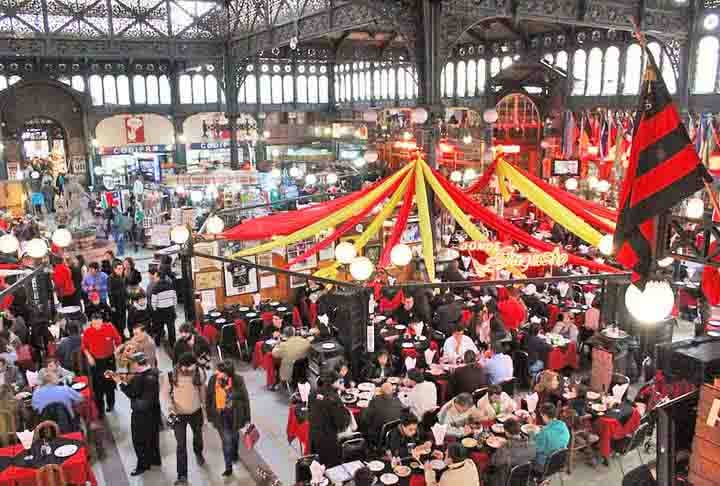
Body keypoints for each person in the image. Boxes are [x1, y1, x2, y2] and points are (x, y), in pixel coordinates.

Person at [161, 353, 207, 486]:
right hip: (179, 415)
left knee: (198, 435)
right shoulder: (171, 376)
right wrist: (170, 408)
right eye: (186, 368)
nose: (189, 371)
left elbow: (202, 391)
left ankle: (198, 452)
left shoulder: (199, 373)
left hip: (196, 412)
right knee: (180, 445)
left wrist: (204, 410)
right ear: (181, 366)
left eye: (191, 367)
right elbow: (165, 394)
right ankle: (182, 476)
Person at [112, 352, 161, 475]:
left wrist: (119, 382)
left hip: (141, 414)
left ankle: (142, 465)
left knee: (139, 440)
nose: (131, 366)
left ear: (137, 364)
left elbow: (131, 392)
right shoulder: (154, 372)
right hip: (154, 411)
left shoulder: (139, 378)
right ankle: (155, 460)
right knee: (153, 437)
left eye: (132, 363)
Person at [206, 360, 251, 478]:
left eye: (220, 371)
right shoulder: (213, 380)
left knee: (235, 437)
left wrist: (247, 417)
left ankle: (235, 454)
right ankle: (228, 467)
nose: (217, 372)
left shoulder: (238, 380)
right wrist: (209, 416)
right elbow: (209, 398)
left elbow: (245, 398)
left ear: (227, 373)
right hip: (220, 416)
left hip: (235, 415)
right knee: (226, 441)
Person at [81, 312, 121, 416]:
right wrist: (89, 356)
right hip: (96, 362)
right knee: (97, 387)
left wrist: (117, 351)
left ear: (102, 321)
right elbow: (84, 347)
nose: (96, 326)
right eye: (94, 324)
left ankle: (110, 404)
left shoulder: (109, 327)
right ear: (91, 322)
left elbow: (118, 341)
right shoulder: (87, 332)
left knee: (110, 384)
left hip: (109, 361)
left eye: (98, 324)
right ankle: (100, 410)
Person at [309, 378, 352, 467]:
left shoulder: (313, 393)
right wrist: (347, 413)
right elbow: (341, 422)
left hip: (315, 436)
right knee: (331, 466)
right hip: (329, 439)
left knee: (318, 462)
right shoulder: (334, 399)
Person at [489, 418, 536, 486]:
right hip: (524, 479)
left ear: (507, 432)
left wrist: (500, 447)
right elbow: (533, 455)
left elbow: (494, 462)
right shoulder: (531, 444)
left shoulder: (505, 449)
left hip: (505, 480)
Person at [359, 382, 406, 446]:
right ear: (392, 391)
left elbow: (365, 419)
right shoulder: (398, 401)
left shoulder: (375, 401)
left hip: (377, 435)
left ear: (380, 391)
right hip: (394, 434)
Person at [534, 403, 570, 470]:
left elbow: (537, 449)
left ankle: (538, 478)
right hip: (560, 461)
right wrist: (544, 428)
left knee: (527, 454)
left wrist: (531, 434)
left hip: (546, 464)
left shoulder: (544, 432)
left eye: (541, 415)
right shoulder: (563, 424)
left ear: (544, 415)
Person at [151, 270, 178, 346]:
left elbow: (154, 302)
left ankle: (157, 343)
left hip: (160, 311)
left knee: (159, 328)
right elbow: (175, 298)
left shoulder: (155, 287)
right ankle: (173, 343)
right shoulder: (170, 285)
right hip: (170, 309)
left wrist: (155, 309)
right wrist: (173, 307)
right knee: (171, 328)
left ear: (159, 277)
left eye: (155, 276)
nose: (154, 278)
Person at [108, 260, 128, 339]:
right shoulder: (110, 278)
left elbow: (124, 289)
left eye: (122, 268)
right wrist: (112, 305)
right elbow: (110, 293)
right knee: (117, 321)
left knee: (123, 320)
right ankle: (119, 336)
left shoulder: (122, 276)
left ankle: (122, 334)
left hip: (123, 302)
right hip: (116, 303)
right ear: (114, 269)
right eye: (119, 269)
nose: (121, 270)